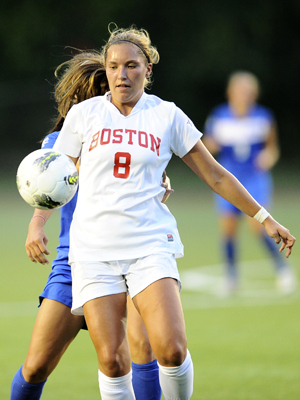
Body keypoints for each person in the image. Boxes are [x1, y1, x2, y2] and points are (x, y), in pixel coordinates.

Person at [51, 25, 296, 400]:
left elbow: (214, 174)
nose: (122, 74)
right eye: (114, 66)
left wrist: (264, 217)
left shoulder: (167, 116)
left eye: (131, 65)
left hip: (150, 243)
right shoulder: (84, 115)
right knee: (113, 362)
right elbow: (57, 177)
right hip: (94, 250)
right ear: (106, 69)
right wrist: (38, 223)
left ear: (147, 69)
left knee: (171, 349)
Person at [10, 50, 171, 400]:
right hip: (73, 263)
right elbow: (48, 189)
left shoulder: (132, 132)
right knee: (36, 366)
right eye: (97, 91)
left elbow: (148, 169)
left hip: (132, 256)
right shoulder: (58, 144)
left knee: (141, 352)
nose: (108, 98)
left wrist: (159, 182)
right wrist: (37, 222)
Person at [203, 71, 297, 294]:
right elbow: (207, 145)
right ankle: (231, 277)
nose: (243, 95)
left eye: (248, 91)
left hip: (255, 178)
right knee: (228, 228)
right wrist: (210, 145)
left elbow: (272, 148)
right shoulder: (219, 117)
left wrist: (268, 158)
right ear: (230, 93)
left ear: (254, 94)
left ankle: (283, 269)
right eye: (239, 90)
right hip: (228, 178)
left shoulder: (263, 117)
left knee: (260, 225)